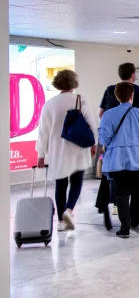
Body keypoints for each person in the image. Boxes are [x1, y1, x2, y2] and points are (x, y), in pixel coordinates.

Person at [36, 70, 98, 232]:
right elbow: (92, 123)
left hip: (58, 150)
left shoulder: (50, 104)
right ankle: (69, 210)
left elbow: (43, 131)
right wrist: (94, 143)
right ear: (74, 83)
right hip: (78, 148)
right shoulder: (80, 100)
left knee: (60, 184)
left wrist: (41, 154)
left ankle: (60, 222)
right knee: (77, 181)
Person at [100, 82, 139, 239]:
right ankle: (135, 218)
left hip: (118, 161)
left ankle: (125, 227)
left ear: (116, 96)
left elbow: (105, 138)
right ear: (132, 96)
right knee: (137, 191)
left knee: (122, 193)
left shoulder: (108, 114)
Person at [98, 62, 139, 216]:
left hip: (113, 142)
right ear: (133, 74)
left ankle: (117, 204)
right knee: (135, 175)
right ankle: (133, 212)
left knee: (116, 173)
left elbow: (101, 114)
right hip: (135, 142)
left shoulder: (110, 90)